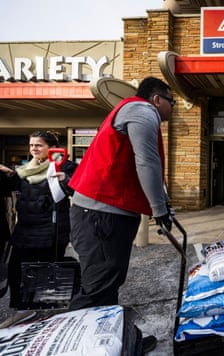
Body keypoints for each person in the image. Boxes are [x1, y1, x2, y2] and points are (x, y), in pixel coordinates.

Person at [67, 76, 175, 352]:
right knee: (97, 288)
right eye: (171, 102)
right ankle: (75, 345)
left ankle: (113, 341)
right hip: (101, 213)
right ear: (157, 99)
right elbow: (146, 161)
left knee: (108, 282)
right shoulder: (141, 111)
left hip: (105, 212)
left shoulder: (136, 111)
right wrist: (159, 210)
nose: (172, 109)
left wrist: (163, 204)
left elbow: (150, 167)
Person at [0, 131, 77, 309]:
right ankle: (20, 309)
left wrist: (66, 180)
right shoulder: (26, 169)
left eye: (39, 145)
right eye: (31, 145)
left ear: (51, 148)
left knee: (45, 274)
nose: (34, 148)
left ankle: (44, 312)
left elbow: (77, 188)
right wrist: (9, 174)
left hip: (49, 231)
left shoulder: (63, 165)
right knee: (16, 271)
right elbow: (12, 187)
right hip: (25, 229)